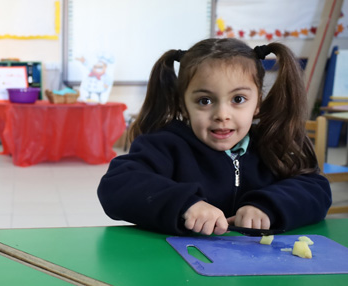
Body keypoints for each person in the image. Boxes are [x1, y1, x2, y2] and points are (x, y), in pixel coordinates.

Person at [98, 38, 331, 236]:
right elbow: (117, 185)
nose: (222, 115)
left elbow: (315, 188)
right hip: (179, 267)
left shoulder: (273, 144)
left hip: (256, 268)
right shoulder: (163, 145)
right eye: (205, 101)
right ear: (183, 105)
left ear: (257, 103)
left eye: (238, 99)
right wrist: (186, 205)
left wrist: (268, 206)